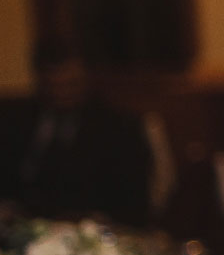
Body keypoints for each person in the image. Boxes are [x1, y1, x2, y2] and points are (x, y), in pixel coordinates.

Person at [0, 40, 153, 227]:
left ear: (87, 78)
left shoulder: (120, 128)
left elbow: (134, 203)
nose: (61, 94)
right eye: (52, 86)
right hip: (21, 230)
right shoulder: (15, 122)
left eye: (70, 84)